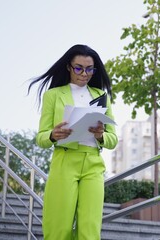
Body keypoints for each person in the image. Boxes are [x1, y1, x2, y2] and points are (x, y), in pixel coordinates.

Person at [28, 44, 118, 240]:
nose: (84, 73)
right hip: (64, 161)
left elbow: (113, 140)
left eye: (89, 69)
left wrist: (101, 135)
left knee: (90, 230)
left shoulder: (101, 96)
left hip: (93, 164)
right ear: (69, 66)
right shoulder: (53, 95)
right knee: (59, 228)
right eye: (79, 68)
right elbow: (41, 138)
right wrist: (53, 134)